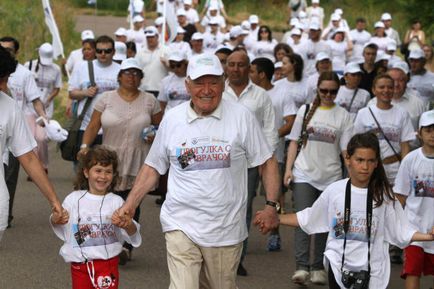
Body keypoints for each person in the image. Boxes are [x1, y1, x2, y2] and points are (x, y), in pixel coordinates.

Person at [113, 53, 280, 289]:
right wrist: (130, 205)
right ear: (187, 85)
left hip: (225, 229)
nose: (207, 90)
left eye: (213, 82)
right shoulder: (173, 119)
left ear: (223, 83)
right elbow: (153, 166)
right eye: (200, 82)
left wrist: (272, 206)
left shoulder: (242, 118)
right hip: (180, 222)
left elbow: (267, 161)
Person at [273, 132, 434, 289]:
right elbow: (309, 217)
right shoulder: (335, 191)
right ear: (348, 159)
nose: (365, 166)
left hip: (373, 273)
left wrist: (429, 236)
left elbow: (401, 231)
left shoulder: (384, 197)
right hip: (338, 268)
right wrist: (276, 218)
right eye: (360, 160)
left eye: (371, 161)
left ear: (377, 162)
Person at [79, 58, 161, 264]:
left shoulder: (151, 101)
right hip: (109, 161)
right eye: (127, 73)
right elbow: (93, 125)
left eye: (136, 73)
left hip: (138, 158)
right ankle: (107, 240)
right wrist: (84, 147)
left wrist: (155, 135)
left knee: (132, 201)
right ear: (119, 76)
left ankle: (126, 245)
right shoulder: (105, 98)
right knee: (107, 200)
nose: (131, 77)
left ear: (141, 78)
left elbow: (163, 128)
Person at [283, 71, 353, 286]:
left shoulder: (344, 116)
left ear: (338, 91)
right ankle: (301, 266)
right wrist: (288, 170)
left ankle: (318, 266)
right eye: (324, 90)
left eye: (333, 91)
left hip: (331, 176)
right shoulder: (305, 111)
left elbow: (345, 152)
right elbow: (294, 142)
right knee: (303, 221)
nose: (328, 94)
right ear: (318, 90)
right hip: (304, 173)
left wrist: (352, 179)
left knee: (324, 224)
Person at [0, 46, 67, 243]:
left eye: (6, 80)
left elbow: (28, 157)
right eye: (1, 80)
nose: (4, 87)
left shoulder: (9, 107)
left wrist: (54, 200)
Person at [51, 147, 142, 289]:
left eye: (108, 172)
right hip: (80, 267)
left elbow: (133, 233)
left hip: (108, 265)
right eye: (98, 170)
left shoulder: (117, 202)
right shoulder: (73, 199)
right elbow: (58, 222)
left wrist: (127, 224)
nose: (103, 176)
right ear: (86, 172)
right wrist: (56, 218)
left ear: (113, 175)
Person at [223, 50, 279, 276]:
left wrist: (265, 160)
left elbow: (269, 129)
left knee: (243, 210)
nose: (235, 69)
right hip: (219, 161)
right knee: (220, 205)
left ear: (249, 68)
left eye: (241, 65)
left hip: (248, 164)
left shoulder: (261, 96)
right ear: (226, 67)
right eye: (231, 64)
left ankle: (237, 258)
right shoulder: (218, 92)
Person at [0, 36, 49, 227]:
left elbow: (35, 99)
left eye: (9, 49)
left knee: (9, 176)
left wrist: (43, 116)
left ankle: (6, 213)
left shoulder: (24, 75)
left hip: (14, 132)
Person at [250, 57, 297, 251]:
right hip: (249, 156)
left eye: (252, 71)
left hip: (273, 154)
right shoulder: (248, 93)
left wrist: (271, 137)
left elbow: (291, 121)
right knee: (245, 197)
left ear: (262, 74)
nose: (249, 74)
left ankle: (274, 233)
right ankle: (239, 236)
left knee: (274, 197)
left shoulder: (282, 93)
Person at [393, 110, 434, 289]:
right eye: (428, 130)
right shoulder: (410, 160)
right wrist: (393, 224)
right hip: (414, 228)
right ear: (419, 133)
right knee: (412, 271)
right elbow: (400, 196)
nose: (433, 134)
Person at [354, 74, 415, 186]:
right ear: (374, 90)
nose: (386, 90)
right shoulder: (363, 113)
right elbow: (357, 144)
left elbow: (405, 145)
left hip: (394, 170)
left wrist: (404, 171)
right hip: (369, 169)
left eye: (390, 87)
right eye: (381, 87)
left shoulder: (402, 113)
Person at [68, 35, 121, 163]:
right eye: (99, 51)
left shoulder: (120, 70)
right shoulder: (82, 67)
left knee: (107, 166)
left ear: (113, 52)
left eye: (107, 51)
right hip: (85, 125)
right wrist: (85, 93)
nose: (103, 54)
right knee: (82, 166)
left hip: (111, 127)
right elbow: (72, 93)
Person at [23, 43, 62, 175]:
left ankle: (43, 164)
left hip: (45, 109)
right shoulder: (28, 66)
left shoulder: (56, 69)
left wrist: (49, 98)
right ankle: (34, 169)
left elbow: (57, 88)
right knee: (31, 139)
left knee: (41, 138)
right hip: (28, 108)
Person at [135, 26, 170, 97]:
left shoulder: (166, 50)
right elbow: (136, 70)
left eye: (152, 37)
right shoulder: (140, 52)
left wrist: (167, 63)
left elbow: (173, 69)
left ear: (157, 37)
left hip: (161, 89)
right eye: (148, 37)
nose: (149, 39)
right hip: (144, 88)